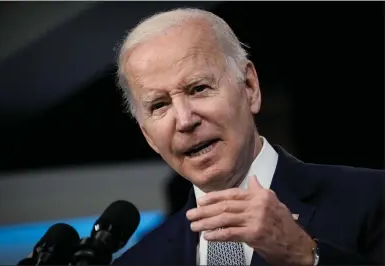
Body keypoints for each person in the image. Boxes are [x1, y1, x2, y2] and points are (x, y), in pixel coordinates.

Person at [112, 8, 384, 266]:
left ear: (250, 88)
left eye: (198, 88)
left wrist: (306, 256)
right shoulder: (140, 260)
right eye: (159, 105)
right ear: (147, 134)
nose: (185, 120)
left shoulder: (371, 198)